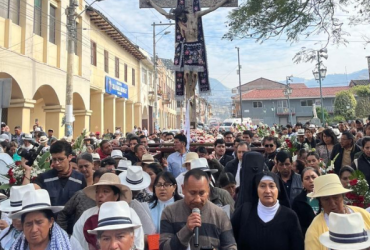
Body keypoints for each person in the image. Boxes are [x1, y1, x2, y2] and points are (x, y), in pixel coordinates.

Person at [160, 169, 237, 250]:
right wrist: (186, 230)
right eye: (192, 193)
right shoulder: (169, 212)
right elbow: (164, 247)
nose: (197, 199)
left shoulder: (220, 214)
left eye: (201, 193)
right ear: (183, 189)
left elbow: (230, 246)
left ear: (208, 191)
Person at [231, 172, 304, 250]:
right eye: (262, 186)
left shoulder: (290, 216)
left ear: (278, 189)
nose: (267, 191)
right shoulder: (244, 212)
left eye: (272, 186)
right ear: (256, 189)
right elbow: (230, 241)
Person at [71, 173, 144, 250]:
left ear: (116, 196)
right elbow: (76, 240)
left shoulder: (129, 213)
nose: (100, 195)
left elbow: (138, 242)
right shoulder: (86, 215)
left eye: (105, 191)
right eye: (97, 192)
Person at [305, 174, 370, 250]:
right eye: (326, 199)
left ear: (342, 197)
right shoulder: (314, 230)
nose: (332, 203)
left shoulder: (363, 214)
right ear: (320, 202)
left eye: (336, 197)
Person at [22, 140, 86, 206]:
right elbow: (26, 194)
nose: (57, 163)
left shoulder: (80, 179)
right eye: (54, 159)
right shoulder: (44, 178)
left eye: (61, 159)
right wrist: (28, 170)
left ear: (69, 157)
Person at [57, 169, 107, 234]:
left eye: (105, 191)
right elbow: (63, 214)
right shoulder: (81, 196)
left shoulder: (120, 211)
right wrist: (64, 236)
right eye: (97, 188)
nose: (100, 194)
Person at [0, 184, 35, 250]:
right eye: (13, 213)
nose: (16, 219)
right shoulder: (6, 232)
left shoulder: (36, 238)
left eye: (20, 214)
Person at [292, 167, 320, 236]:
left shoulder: (326, 198)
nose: (311, 181)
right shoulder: (298, 201)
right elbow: (296, 226)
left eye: (313, 177)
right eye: (307, 178)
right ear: (302, 183)